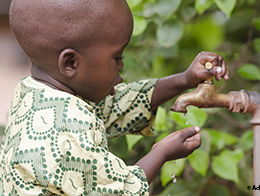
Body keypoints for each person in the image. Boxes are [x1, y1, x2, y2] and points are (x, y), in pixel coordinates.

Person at [0, 0, 229, 195]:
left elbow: (117, 105)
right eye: (117, 57)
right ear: (70, 63)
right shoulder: (66, 127)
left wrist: (184, 79)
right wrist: (161, 153)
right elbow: (121, 190)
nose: (122, 66)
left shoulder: (35, 92)